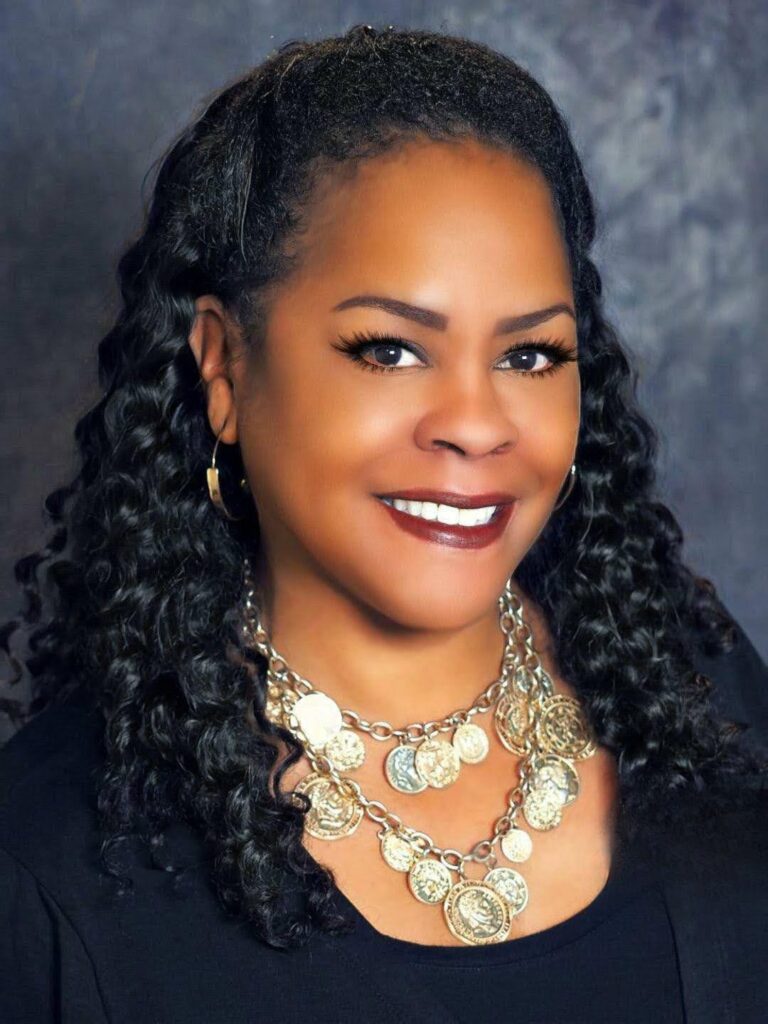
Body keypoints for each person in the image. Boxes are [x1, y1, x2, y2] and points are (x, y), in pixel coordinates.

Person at [1, 23, 767, 1024]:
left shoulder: (705, 700)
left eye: (531, 354)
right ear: (223, 368)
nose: (475, 426)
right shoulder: (49, 871)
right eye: (389, 350)